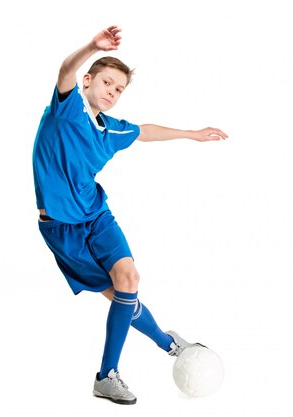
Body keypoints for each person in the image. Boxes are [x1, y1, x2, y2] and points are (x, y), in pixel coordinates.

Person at [32, 25, 228, 405]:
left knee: (129, 278)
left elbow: (146, 131)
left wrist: (192, 133)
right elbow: (65, 71)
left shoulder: (109, 130)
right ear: (89, 80)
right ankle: (169, 344)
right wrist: (91, 46)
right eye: (107, 82)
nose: (111, 91)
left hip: (96, 215)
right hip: (62, 227)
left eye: (119, 89)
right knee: (123, 297)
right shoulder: (67, 108)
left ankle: (108, 376)